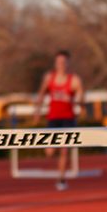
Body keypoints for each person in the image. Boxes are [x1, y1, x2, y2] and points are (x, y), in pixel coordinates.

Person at [34, 49, 84, 190]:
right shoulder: (49, 78)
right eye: (59, 62)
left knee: (64, 151)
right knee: (49, 151)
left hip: (68, 118)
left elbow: (81, 99)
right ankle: (58, 167)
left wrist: (77, 103)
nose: (61, 64)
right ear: (56, 63)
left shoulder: (74, 80)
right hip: (53, 118)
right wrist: (37, 111)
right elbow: (42, 93)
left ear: (68, 63)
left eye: (64, 62)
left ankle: (61, 179)